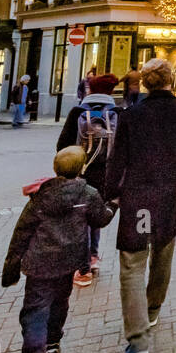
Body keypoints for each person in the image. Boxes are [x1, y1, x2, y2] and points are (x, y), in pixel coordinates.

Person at [104, 58, 176, 353]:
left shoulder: (131, 115)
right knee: (162, 252)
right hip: (169, 194)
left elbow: (117, 159)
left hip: (139, 198)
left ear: (145, 83)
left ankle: (137, 340)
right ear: (170, 81)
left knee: (133, 263)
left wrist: (110, 194)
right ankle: (152, 309)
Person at [2, 145, 114, 353]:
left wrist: (11, 265)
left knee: (35, 308)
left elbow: (22, 232)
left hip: (39, 264)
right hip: (68, 262)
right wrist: (114, 204)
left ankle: (35, 352)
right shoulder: (88, 193)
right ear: (82, 168)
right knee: (60, 303)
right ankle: (52, 344)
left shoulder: (41, 196)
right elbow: (101, 219)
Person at [57, 73, 119, 288]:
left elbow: (62, 145)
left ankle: (82, 269)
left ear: (89, 90)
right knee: (95, 218)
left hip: (80, 173)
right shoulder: (117, 113)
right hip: (106, 176)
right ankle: (93, 258)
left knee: (79, 220)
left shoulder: (77, 112)